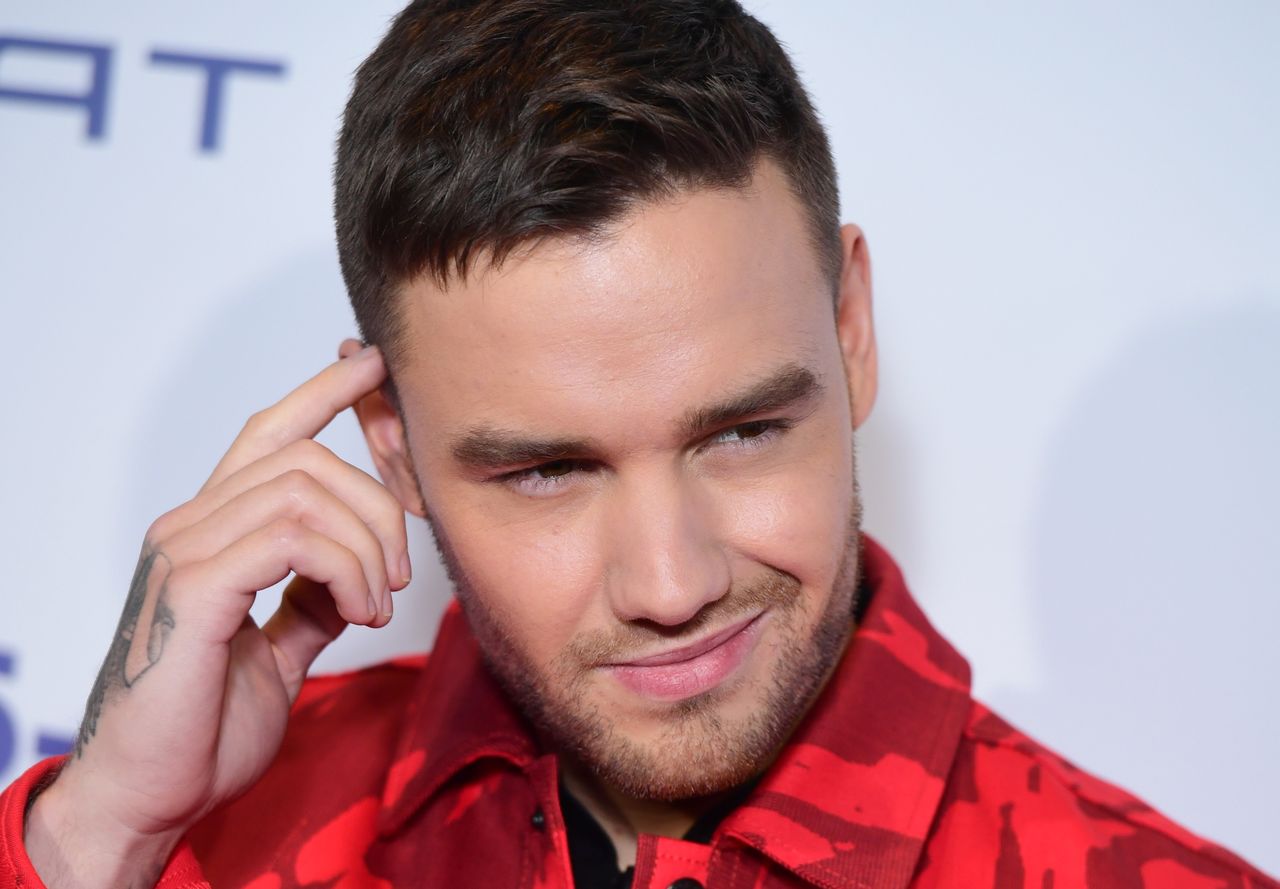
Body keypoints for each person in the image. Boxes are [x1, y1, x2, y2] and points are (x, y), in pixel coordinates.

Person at [4, 1, 1276, 887]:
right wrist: (101, 838)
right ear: (390, 445)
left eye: (741, 433)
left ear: (851, 331)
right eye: (546, 472)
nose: (670, 586)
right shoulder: (192, 852)